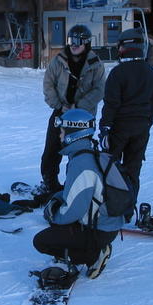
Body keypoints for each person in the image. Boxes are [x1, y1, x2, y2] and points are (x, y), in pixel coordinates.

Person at [33, 108, 122, 279]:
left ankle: (93, 255)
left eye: (62, 131)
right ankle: (90, 247)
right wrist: (54, 200)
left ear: (74, 132)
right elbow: (73, 192)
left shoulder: (82, 164)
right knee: (57, 216)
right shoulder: (89, 153)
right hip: (106, 224)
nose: (59, 135)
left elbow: (72, 211)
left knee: (42, 241)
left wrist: (53, 215)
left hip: (99, 230)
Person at [39, 24, 105, 200]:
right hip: (61, 113)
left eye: (78, 41)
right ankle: (49, 184)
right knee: (51, 150)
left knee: (78, 153)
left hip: (83, 117)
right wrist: (59, 106)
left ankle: (73, 185)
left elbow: (100, 89)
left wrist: (80, 106)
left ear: (87, 43)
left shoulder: (95, 64)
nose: (74, 44)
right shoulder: (58, 60)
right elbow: (48, 84)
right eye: (70, 40)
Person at [99, 27, 153, 196]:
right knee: (133, 169)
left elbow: (111, 104)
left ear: (125, 47)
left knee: (111, 167)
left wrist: (105, 127)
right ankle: (128, 207)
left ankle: (111, 207)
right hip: (141, 129)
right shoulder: (151, 73)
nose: (117, 50)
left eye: (119, 46)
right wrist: (146, 123)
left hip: (119, 129)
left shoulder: (118, 73)